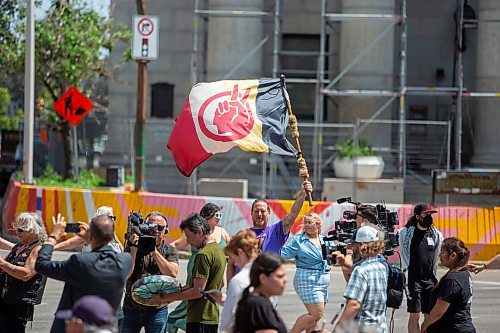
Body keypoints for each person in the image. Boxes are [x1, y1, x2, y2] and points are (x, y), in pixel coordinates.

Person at [35, 213, 132, 333]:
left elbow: (41, 265)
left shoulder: (80, 261)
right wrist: (91, 238)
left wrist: (52, 237)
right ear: (112, 235)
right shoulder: (125, 260)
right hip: (108, 325)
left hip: (77, 325)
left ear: (91, 236)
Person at [153, 213, 226, 333]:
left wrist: (165, 297)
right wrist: (178, 289)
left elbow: (198, 291)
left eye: (189, 236)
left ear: (200, 232)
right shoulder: (218, 250)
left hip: (199, 318)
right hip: (212, 317)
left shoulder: (202, 255)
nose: (188, 241)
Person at [121, 211, 179, 333]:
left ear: (166, 231)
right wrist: (133, 251)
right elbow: (124, 275)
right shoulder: (133, 247)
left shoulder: (169, 250)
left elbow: (172, 273)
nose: (156, 231)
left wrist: (154, 251)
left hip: (157, 309)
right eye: (151, 227)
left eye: (160, 228)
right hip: (131, 307)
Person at [281, 212, 330, 333]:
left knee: (314, 318)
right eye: (305, 222)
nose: (306, 225)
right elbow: (284, 253)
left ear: (318, 225)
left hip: (322, 281)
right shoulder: (299, 240)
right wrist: (266, 249)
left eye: (310, 222)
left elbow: (333, 255)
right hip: (307, 279)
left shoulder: (324, 239)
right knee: (316, 314)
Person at [398, 203, 443, 333]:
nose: (429, 216)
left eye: (430, 214)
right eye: (426, 214)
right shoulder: (406, 233)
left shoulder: (436, 235)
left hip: (430, 279)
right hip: (413, 279)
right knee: (415, 315)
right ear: (417, 216)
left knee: (429, 315)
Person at [335, 225, 388, 333]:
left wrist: (338, 329)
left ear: (361, 245)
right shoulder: (382, 267)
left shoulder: (361, 270)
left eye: (354, 244)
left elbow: (354, 304)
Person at [0, 212, 47, 333]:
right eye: (17, 229)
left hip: (17, 305)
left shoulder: (38, 249)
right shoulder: (19, 246)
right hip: (5, 300)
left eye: (21, 230)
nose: (17, 232)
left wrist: (1, 263)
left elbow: (26, 274)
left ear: (33, 230)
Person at [206, 229, 259, 332]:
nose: (234, 263)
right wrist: (224, 299)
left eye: (233, 258)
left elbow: (227, 324)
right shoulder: (266, 274)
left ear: (240, 253)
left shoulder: (238, 280)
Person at [421, 237, 475, 333]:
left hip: (453, 328)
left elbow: (439, 310)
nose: (439, 256)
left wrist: (425, 325)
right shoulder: (463, 273)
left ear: (453, 255)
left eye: (442, 252)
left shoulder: (453, 280)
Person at [250, 181, 313, 254]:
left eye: (263, 211)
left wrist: (302, 194)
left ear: (269, 213)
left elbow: (293, 214)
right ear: (251, 212)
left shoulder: (276, 231)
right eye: (256, 211)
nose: (260, 214)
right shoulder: (244, 235)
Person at [233, 252, 288, 333]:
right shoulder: (259, 305)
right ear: (263, 278)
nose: (285, 280)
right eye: (280, 276)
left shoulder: (259, 302)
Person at [54, 206, 123, 253]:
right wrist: (49, 248)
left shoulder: (111, 234)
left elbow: (122, 250)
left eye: (114, 218)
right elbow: (68, 244)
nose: (113, 220)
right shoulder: (91, 233)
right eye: (110, 217)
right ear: (101, 218)